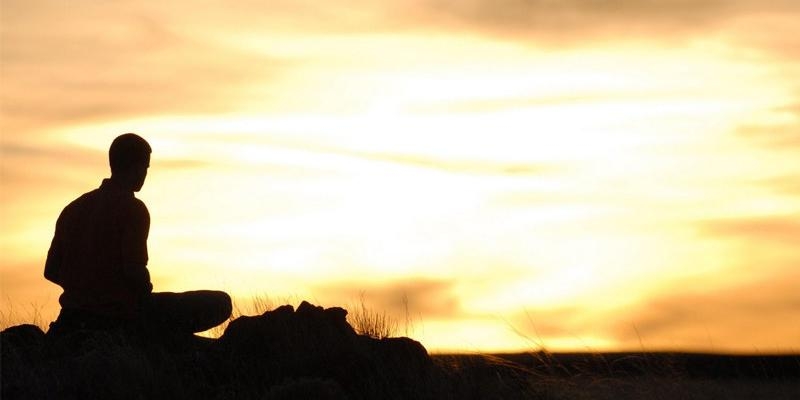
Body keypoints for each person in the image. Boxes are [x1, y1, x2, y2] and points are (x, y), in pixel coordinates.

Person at [44, 133, 231, 342]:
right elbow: (133, 270)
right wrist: (123, 295)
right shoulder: (133, 209)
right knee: (221, 303)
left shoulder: (73, 209)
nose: (145, 174)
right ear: (135, 166)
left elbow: (50, 271)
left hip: (73, 315)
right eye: (145, 168)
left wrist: (83, 290)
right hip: (122, 315)